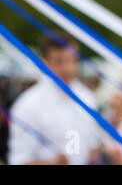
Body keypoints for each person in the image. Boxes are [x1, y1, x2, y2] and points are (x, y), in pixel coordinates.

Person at [8, 31, 102, 165]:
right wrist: (52, 163)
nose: (68, 68)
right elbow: (18, 160)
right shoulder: (28, 105)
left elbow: (92, 142)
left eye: (72, 60)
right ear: (44, 63)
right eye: (59, 61)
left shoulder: (87, 97)